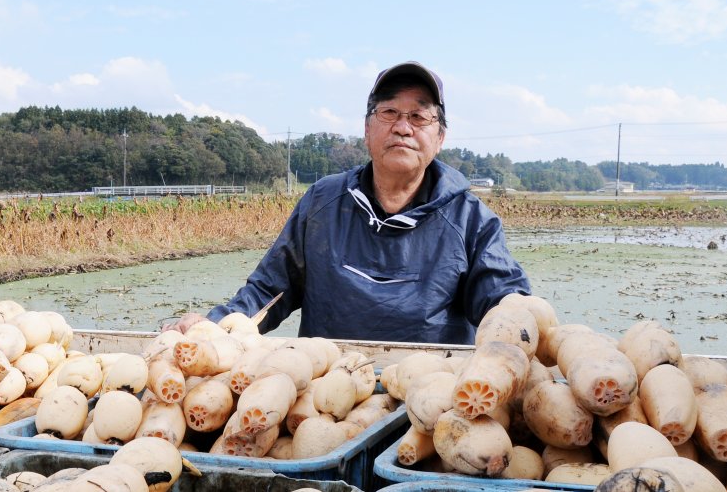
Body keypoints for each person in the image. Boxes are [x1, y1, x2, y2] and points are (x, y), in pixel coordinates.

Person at [168, 61, 530, 344]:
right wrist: (215, 328)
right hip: (325, 393)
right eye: (389, 113)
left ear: (440, 138)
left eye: (419, 117)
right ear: (367, 129)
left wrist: (524, 327)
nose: (403, 127)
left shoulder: (470, 219)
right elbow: (269, 291)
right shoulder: (323, 203)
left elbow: (504, 303)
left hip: (431, 396)